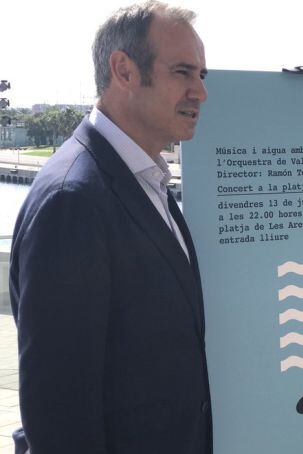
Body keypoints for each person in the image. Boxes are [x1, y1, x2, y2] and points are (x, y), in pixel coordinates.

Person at [9, 2, 211, 453]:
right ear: (123, 70)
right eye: (183, 72)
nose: (200, 91)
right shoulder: (73, 201)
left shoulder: (145, 180)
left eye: (202, 75)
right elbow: (58, 411)